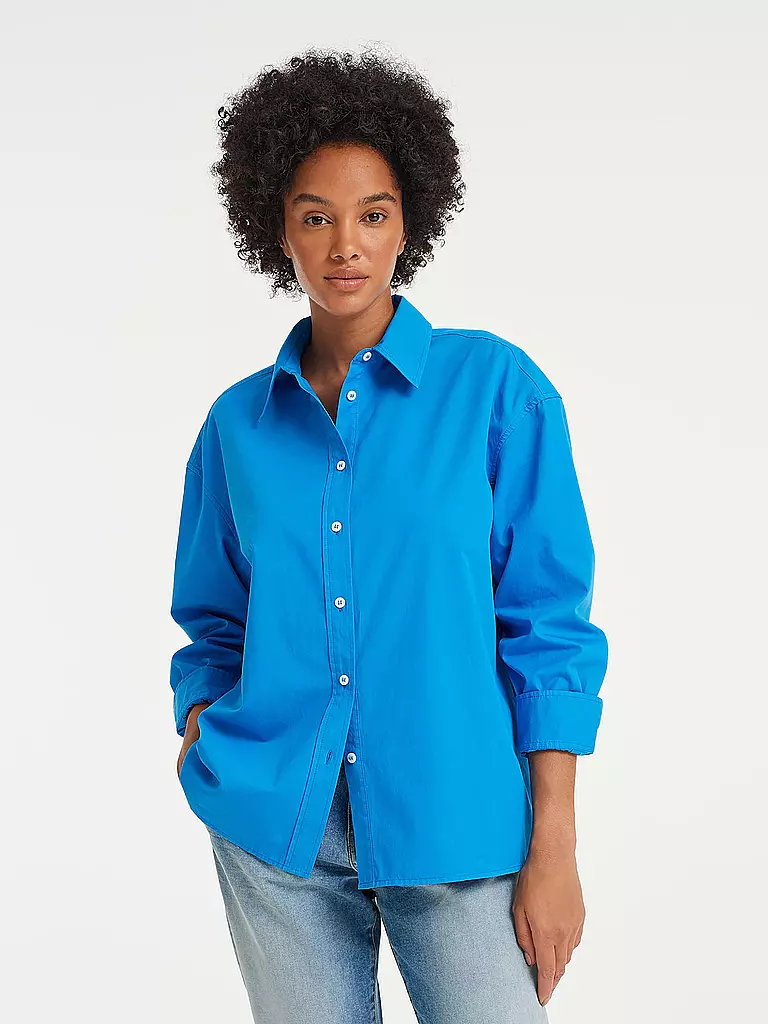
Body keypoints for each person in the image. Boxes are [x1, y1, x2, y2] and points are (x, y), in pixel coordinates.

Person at [169, 46, 609, 1024]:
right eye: (315, 216)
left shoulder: (496, 389)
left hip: (457, 820)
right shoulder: (237, 426)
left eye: (372, 214)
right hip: (276, 825)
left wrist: (556, 845)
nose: (345, 246)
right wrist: (200, 719)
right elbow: (212, 618)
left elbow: (547, 624)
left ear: (410, 222)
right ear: (276, 229)